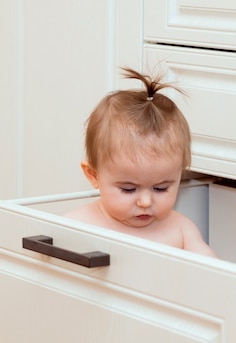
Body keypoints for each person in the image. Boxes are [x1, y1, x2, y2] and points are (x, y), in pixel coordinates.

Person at [64, 68, 216, 257]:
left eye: (160, 188)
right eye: (129, 189)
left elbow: (215, 277)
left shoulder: (181, 231)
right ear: (93, 175)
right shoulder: (78, 225)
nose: (145, 201)